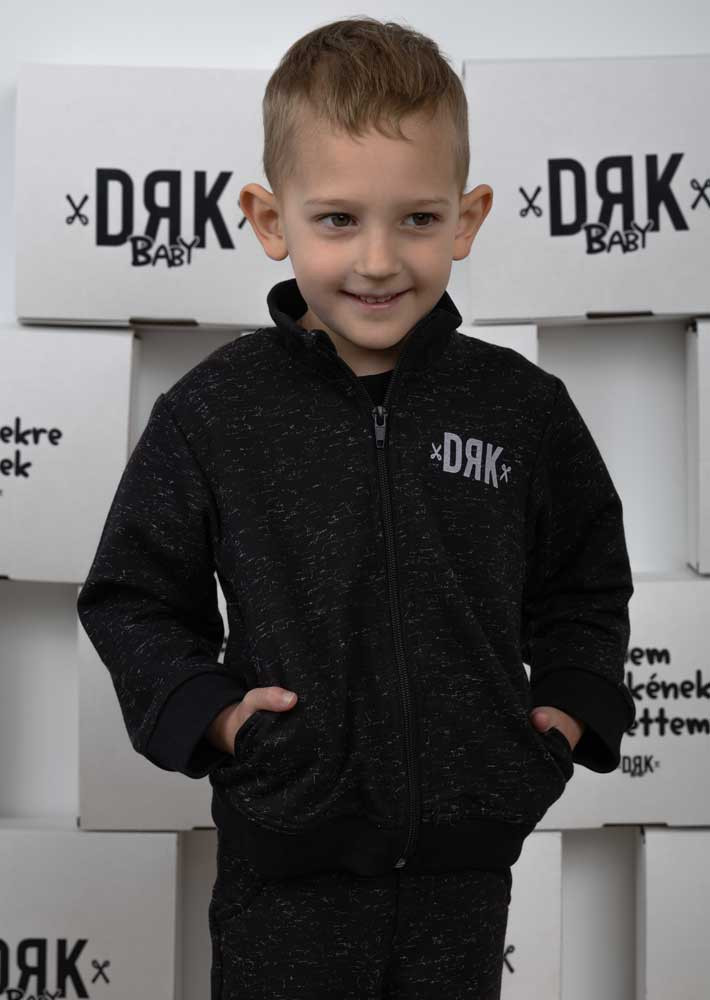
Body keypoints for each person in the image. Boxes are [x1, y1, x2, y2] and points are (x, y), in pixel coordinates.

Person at [76, 16, 636, 1000]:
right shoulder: (216, 412)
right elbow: (133, 598)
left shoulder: (520, 409)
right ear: (270, 219)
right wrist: (221, 722)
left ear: (465, 219)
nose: (378, 260)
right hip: (283, 866)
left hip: (465, 870)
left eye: (416, 219)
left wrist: (561, 717)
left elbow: (582, 581)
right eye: (337, 219)